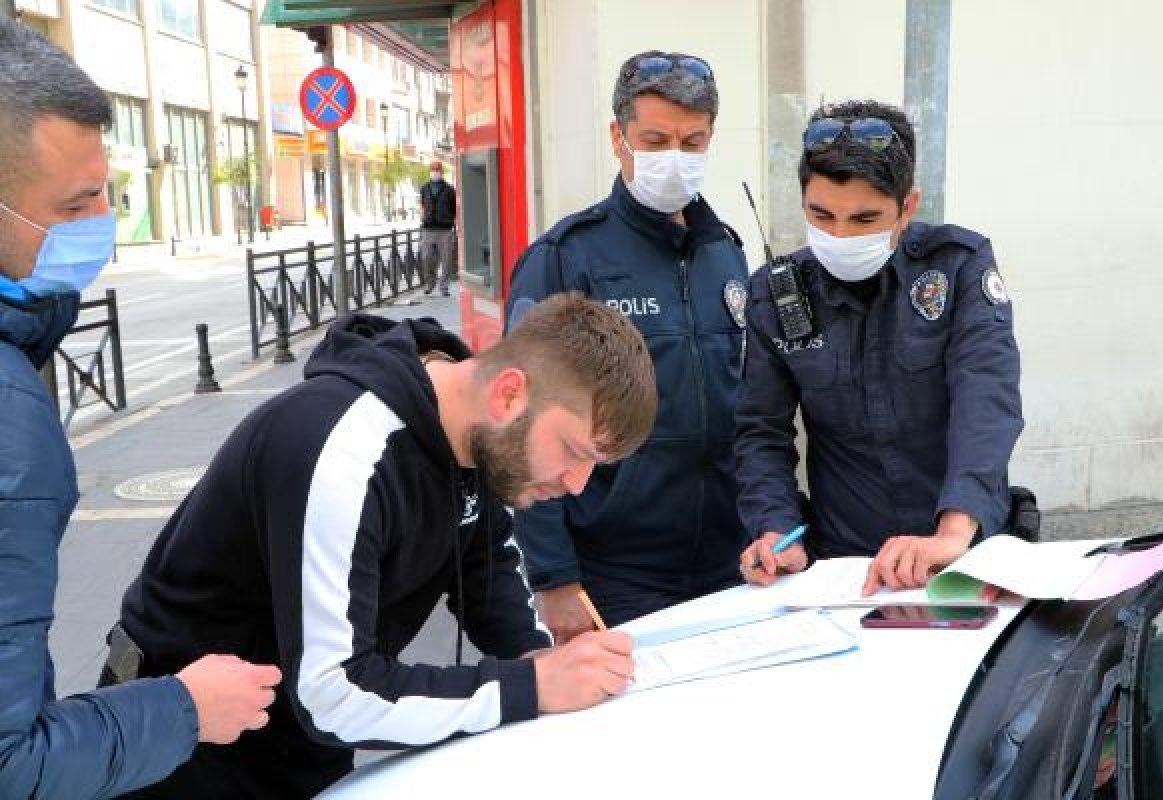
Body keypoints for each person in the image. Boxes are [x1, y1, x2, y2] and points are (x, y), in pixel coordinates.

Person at [104, 292, 655, 798]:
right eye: (573, 451)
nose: (576, 483)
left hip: (291, 749)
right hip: (177, 758)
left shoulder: (479, 440)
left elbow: (488, 566)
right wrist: (531, 685)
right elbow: (333, 694)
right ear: (510, 393)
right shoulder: (342, 450)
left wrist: (542, 658)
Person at [0, 20, 280, 798]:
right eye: (79, 200)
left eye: (107, 191)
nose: (103, 220)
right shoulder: (9, 424)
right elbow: (8, 763)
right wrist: (187, 707)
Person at [505, 51, 750, 638]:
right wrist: (554, 578)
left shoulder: (727, 252)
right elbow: (521, 426)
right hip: (616, 576)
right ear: (619, 138)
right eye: (657, 139)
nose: (676, 158)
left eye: (692, 143)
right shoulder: (565, 258)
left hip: (731, 563)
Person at [735, 100, 1023, 595]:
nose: (840, 234)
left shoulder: (957, 269)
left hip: (963, 549)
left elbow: (987, 400)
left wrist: (951, 534)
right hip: (848, 565)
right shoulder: (777, 295)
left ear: (906, 208)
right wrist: (777, 531)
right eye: (821, 214)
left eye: (865, 219)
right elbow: (761, 432)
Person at [418, 159, 457, 296]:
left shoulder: (449, 189)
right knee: (426, 258)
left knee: (446, 260)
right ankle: (430, 283)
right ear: (430, 171)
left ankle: (444, 287)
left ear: (441, 171)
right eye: (433, 169)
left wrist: (450, 221)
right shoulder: (424, 188)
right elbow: (422, 204)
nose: (435, 171)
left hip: (445, 230)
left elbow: (454, 208)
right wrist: (423, 216)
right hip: (428, 229)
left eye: (437, 169)